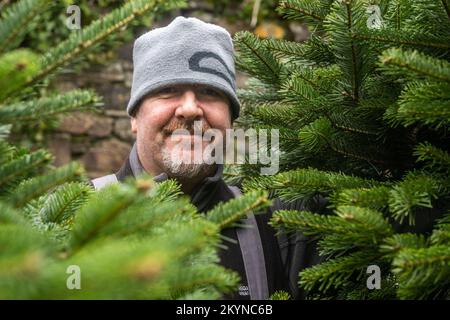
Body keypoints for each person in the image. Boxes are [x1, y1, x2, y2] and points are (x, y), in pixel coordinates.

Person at [92, 16, 325, 300]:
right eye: (167, 90)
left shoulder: (273, 228)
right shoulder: (72, 219)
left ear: (230, 118)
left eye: (210, 92)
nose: (190, 109)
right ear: (134, 117)